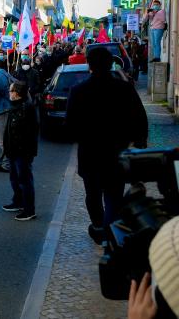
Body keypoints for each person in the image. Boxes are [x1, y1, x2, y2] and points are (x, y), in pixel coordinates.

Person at [66, 47, 147, 242]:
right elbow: (139, 116)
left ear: (89, 65)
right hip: (116, 152)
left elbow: (70, 125)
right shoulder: (124, 88)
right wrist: (139, 141)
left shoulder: (79, 91)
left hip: (90, 153)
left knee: (92, 195)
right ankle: (108, 230)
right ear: (111, 64)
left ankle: (99, 226)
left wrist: (81, 135)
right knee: (113, 195)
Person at [2, 82, 39, 221]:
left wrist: (26, 151)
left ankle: (29, 210)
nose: (9, 93)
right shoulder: (15, 106)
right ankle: (18, 201)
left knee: (25, 180)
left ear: (17, 93)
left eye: (10, 91)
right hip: (12, 150)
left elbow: (31, 132)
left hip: (22, 152)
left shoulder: (27, 108)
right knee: (14, 178)